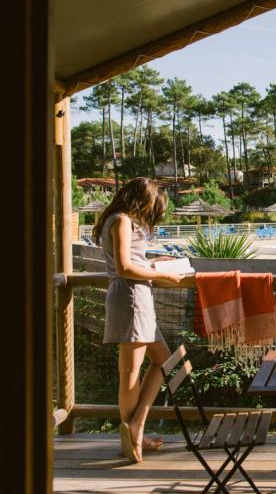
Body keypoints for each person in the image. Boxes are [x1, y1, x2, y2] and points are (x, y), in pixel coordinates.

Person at [92, 177, 185, 463]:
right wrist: (162, 275)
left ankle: (135, 427)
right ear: (140, 199)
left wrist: (154, 263)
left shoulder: (120, 219)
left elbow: (132, 261)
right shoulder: (121, 220)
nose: (151, 211)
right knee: (130, 372)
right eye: (151, 204)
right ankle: (131, 436)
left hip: (137, 297)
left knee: (166, 361)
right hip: (130, 298)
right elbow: (123, 267)